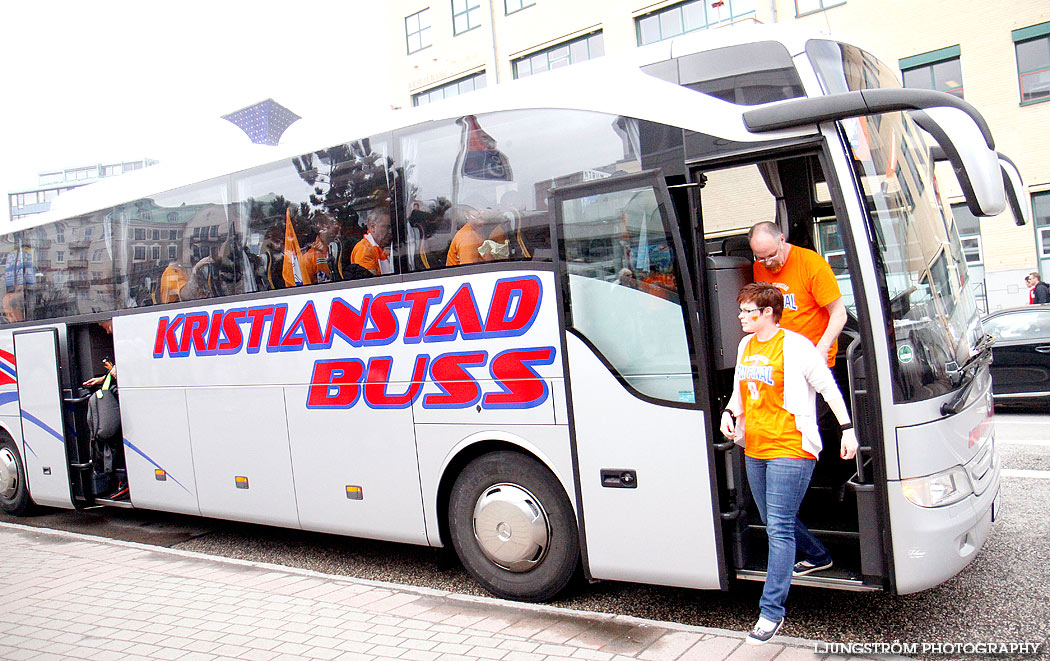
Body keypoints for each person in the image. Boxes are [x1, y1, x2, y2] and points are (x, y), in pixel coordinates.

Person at [720, 282, 858, 646]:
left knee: (777, 528)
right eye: (742, 311)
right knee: (771, 518)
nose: (742, 317)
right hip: (756, 446)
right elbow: (740, 389)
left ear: (768, 313)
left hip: (792, 446)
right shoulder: (746, 345)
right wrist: (730, 412)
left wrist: (847, 429)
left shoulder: (797, 347)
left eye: (748, 311)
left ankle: (771, 613)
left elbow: (828, 388)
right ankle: (818, 554)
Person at [749, 221, 846, 367]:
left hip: (812, 357)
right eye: (761, 258)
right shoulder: (758, 268)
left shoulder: (812, 264)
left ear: (782, 240)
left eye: (771, 255)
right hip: (778, 359)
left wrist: (823, 348)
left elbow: (839, 313)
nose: (767, 263)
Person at [350, 208, 394, 276]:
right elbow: (370, 282)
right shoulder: (364, 249)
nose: (390, 231)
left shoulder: (383, 247)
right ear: (373, 227)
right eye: (387, 227)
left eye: (391, 227)